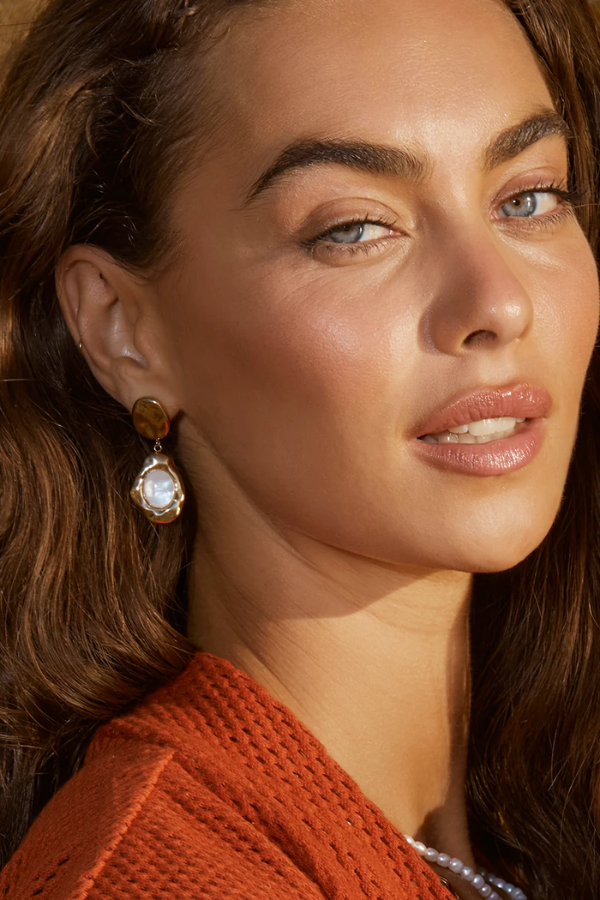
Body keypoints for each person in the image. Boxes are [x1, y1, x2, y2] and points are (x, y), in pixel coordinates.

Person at [0, 0, 599, 896]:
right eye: (353, 228)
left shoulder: (537, 823)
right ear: (123, 330)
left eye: (528, 198)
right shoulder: (157, 877)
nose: (497, 303)